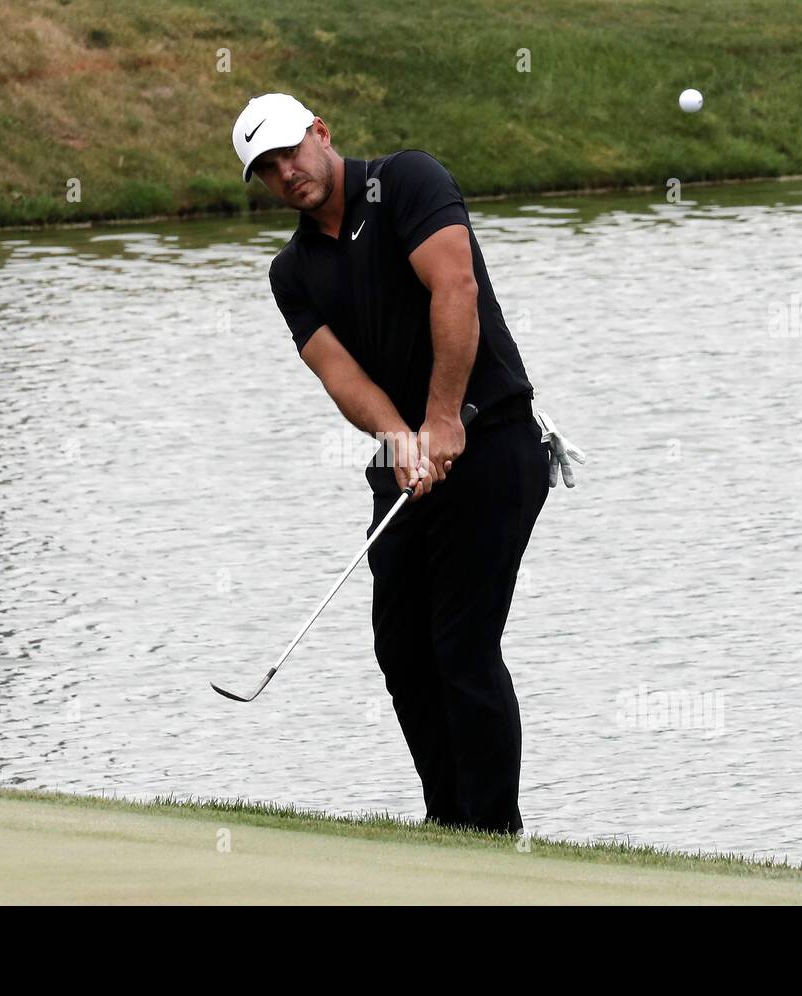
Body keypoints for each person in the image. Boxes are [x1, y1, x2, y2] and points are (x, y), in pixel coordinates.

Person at [232, 92, 584, 835]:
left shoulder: (409, 181)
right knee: (402, 648)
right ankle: (446, 821)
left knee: (462, 642)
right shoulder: (291, 271)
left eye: (291, 150)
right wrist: (401, 437)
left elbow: (454, 289)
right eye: (266, 168)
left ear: (321, 134)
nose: (286, 171)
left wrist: (443, 418)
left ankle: (493, 830)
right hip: (408, 456)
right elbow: (339, 373)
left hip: (493, 440)